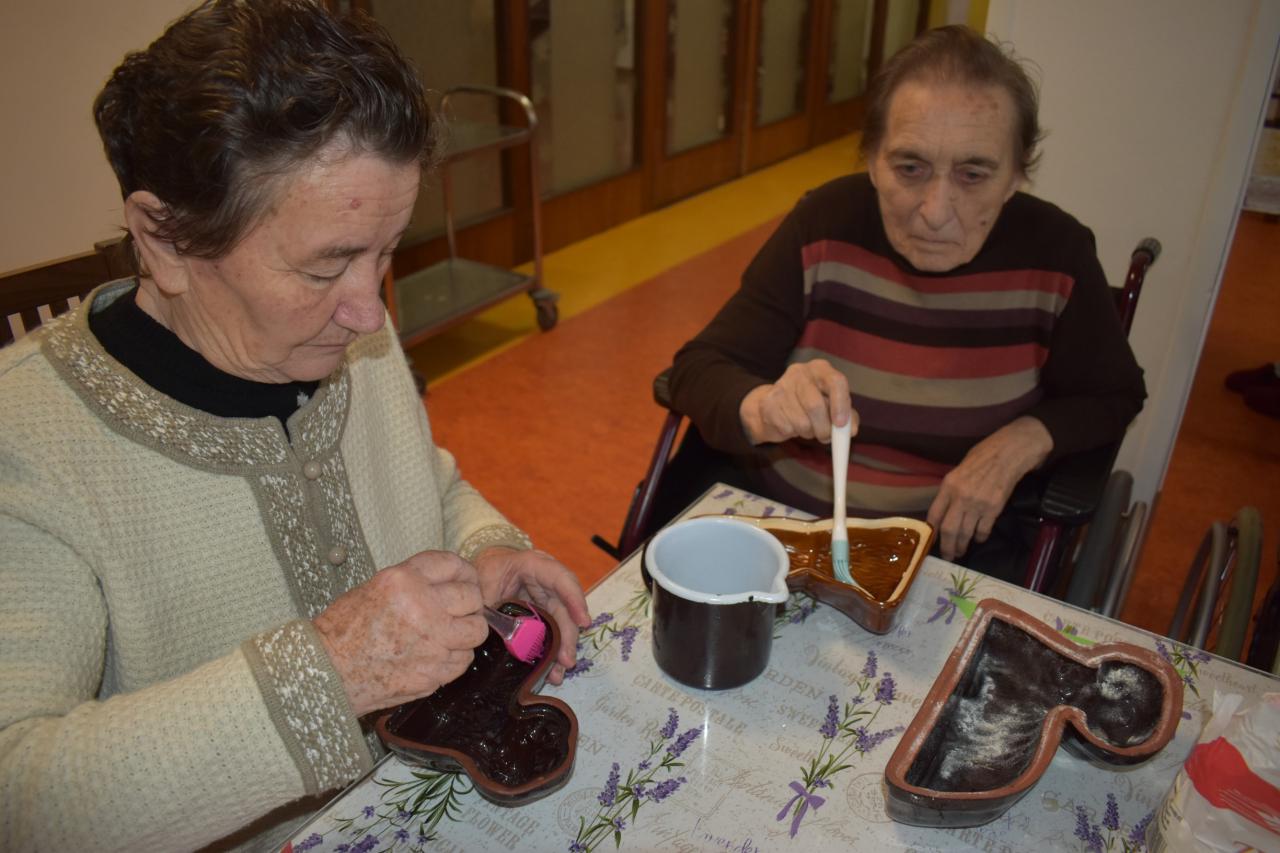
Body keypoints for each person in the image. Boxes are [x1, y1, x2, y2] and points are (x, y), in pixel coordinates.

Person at [0, 2, 589, 850]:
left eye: (386, 250)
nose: (369, 310)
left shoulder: (342, 330)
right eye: (325, 265)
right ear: (164, 242)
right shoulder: (27, 441)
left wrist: (483, 549)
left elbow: (422, 478)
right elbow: (19, 799)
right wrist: (331, 672)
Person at [662, 25, 1146, 580]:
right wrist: (764, 405)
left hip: (940, 554)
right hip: (777, 527)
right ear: (872, 159)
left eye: (973, 174)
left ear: (1016, 175)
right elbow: (698, 368)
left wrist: (1021, 441)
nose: (935, 211)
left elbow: (1114, 394)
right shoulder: (823, 224)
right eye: (910, 168)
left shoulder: (1057, 254)